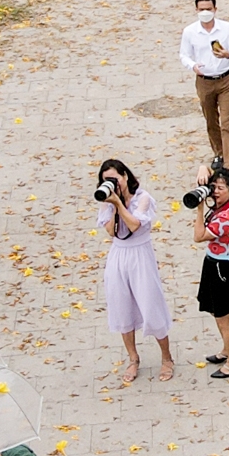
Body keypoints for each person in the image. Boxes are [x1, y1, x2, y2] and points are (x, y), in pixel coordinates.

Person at [95, 158, 173, 384]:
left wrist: (120, 203)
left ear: (125, 176)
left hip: (140, 254)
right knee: (121, 306)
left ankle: (166, 357)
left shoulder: (143, 198)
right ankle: (133, 357)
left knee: (151, 303)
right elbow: (111, 231)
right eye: (106, 180)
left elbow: (135, 225)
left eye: (115, 179)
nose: (112, 184)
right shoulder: (107, 201)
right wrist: (111, 204)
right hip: (118, 255)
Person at [191, 166, 229, 378]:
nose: (215, 191)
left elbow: (198, 236)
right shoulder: (224, 207)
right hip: (214, 264)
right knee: (217, 313)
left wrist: (199, 208)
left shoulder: (228, 217)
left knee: (223, 318)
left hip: (223, 269)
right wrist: (203, 170)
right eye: (213, 187)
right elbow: (208, 167)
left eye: (220, 188)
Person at [179, 0, 229, 170]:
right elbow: (184, 54)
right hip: (204, 81)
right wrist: (193, 66)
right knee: (211, 120)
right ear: (196, 10)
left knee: (227, 122)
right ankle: (219, 153)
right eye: (201, 9)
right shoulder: (190, 32)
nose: (205, 12)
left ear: (215, 9)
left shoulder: (226, 28)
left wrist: (228, 55)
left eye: (208, 9)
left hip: (226, 80)